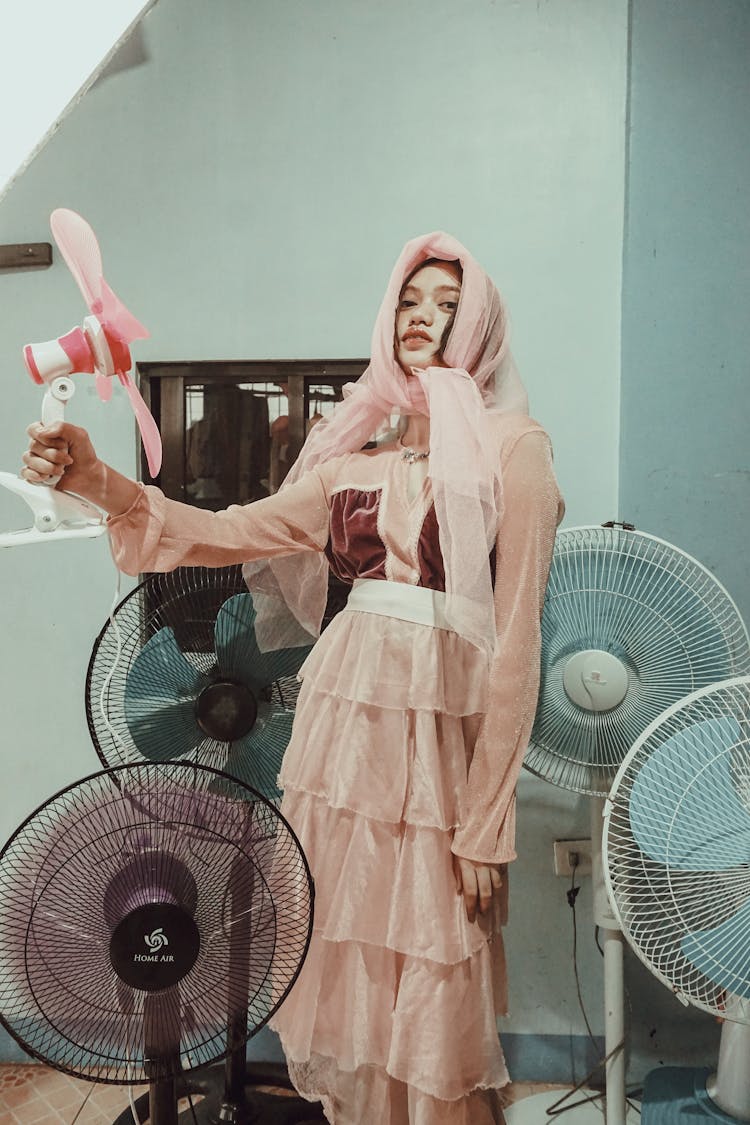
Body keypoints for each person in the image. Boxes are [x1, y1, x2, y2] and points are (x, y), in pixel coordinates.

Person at [22, 232, 563, 1125]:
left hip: (439, 751)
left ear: (480, 328)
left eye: (446, 305)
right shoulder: (351, 461)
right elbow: (226, 531)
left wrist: (486, 820)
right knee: (348, 943)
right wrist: (98, 480)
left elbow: (517, 642)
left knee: (433, 962)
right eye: (408, 300)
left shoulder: (516, 449)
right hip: (344, 741)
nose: (422, 318)